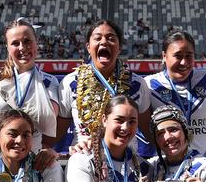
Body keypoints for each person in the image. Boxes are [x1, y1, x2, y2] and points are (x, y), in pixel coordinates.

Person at [57, 19, 152, 157]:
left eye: (111, 38)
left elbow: (149, 132)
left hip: (126, 162)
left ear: (119, 48)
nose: (104, 42)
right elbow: (56, 133)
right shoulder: (71, 83)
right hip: (84, 157)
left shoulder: (136, 84)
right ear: (88, 47)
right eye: (97, 38)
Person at [0, 18, 60, 152]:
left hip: (31, 160)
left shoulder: (49, 82)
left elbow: (48, 122)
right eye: (15, 43)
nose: (22, 47)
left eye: (27, 41)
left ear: (36, 43)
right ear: (7, 47)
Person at [145, 31, 206, 154]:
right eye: (178, 56)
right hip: (169, 164)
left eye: (189, 56)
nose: (184, 62)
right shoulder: (150, 85)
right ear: (164, 56)